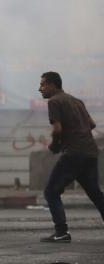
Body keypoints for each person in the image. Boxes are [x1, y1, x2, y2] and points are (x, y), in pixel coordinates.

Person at [38, 71, 104, 243]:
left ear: (53, 85)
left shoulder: (54, 101)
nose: (40, 89)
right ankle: (61, 232)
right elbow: (91, 124)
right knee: (95, 193)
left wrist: (54, 144)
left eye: (43, 84)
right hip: (90, 152)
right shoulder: (76, 101)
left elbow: (57, 129)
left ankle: (61, 232)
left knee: (51, 191)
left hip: (74, 153)